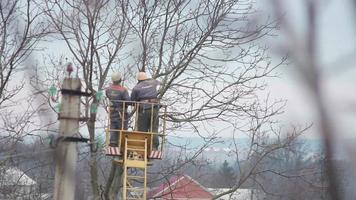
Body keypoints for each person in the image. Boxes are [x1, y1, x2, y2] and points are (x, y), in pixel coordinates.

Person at [131, 72, 161, 150]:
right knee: (154, 128)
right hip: (154, 108)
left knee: (142, 129)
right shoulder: (154, 82)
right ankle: (154, 147)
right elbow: (159, 83)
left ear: (138, 79)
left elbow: (132, 101)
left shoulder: (136, 88)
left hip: (143, 110)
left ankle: (142, 146)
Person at [106, 72, 130, 147]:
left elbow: (108, 96)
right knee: (122, 127)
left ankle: (113, 143)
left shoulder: (108, 90)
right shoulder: (123, 90)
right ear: (120, 79)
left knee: (113, 126)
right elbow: (128, 101)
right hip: (121, 112)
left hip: (112, 111)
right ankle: (123, 144)